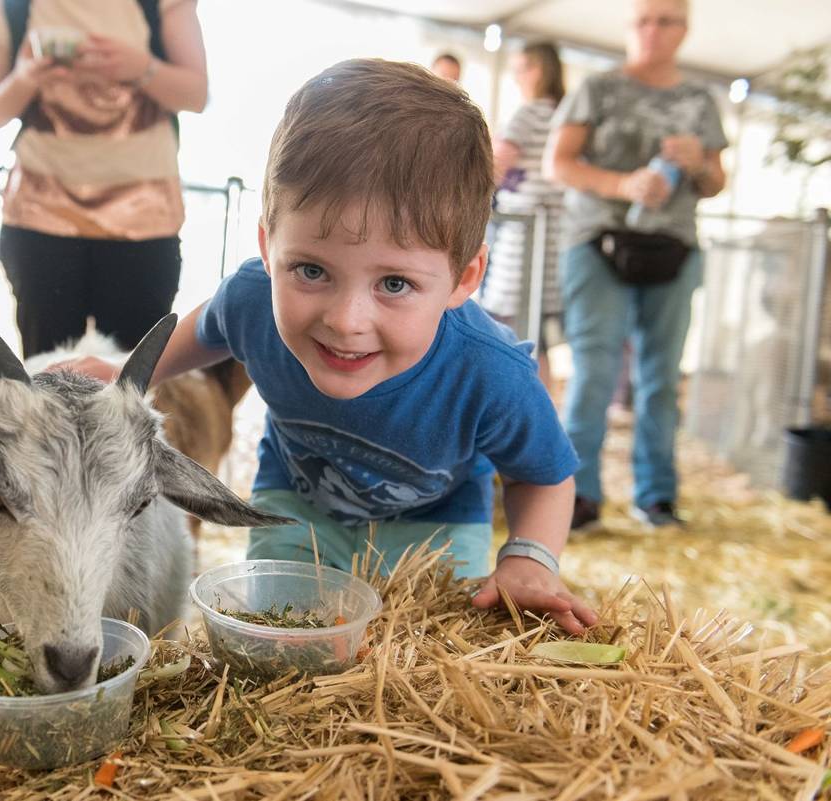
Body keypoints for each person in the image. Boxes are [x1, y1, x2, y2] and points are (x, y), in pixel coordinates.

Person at [61, 59, 597, 635]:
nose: (345, 320)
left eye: (395, 284)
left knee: (430, 653)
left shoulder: (492, 373)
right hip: (297, 506)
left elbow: (543, 476)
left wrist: (529, 559)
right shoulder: (251, 297)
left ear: (464, 280)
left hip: (435, 528)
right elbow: (208, 330)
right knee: (283, 644)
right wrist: (128, 375)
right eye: (311, 270)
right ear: (269, 248)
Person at [543, 0, 727, 531]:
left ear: (684, 30)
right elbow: (559, 162)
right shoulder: (596, 88)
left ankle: (657, 497)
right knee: (594, 371)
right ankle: (577, 497)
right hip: (598, 243)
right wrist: (622, 185)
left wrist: (699, 165)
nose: (653, 31)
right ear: (629, 28)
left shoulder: (700, 100)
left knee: (661, 378)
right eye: (643, 19)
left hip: (673, 248)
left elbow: (716, 181)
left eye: (665, 20)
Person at [0, 0, 208, 357]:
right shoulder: (14, 6)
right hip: (39, 216)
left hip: (144, 222)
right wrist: (26, 77)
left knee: (131, 380)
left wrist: (141, 67)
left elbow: (195, 95)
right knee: (45, 376)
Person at [480, 41, 566, 386]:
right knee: (534, 334)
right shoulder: (565, 114)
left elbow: (493, 166)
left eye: (520, 70)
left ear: (538, 70)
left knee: (512, 328)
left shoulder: (529, 113)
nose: (516, 79)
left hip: (523, 238)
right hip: (554, 234)